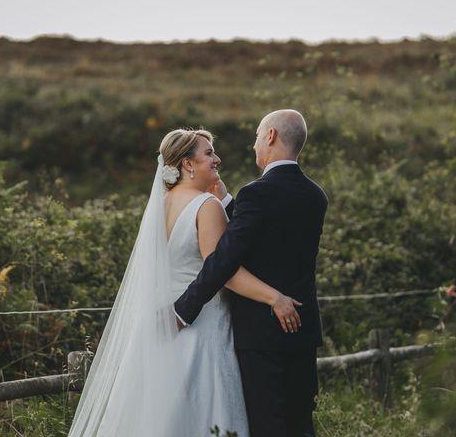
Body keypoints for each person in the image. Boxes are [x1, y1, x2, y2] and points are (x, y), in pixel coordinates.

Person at [68, 128, 300, 436]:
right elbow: (222, 271)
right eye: (208, 153)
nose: (216, 159)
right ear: (187, 164)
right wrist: (274, 297)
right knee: (202, 410)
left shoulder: (162, 205)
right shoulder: (206, 206)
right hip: (201, 324)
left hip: (162, 322)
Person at [174, 110, 328, 437]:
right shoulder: (316, 196)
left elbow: (225, 258)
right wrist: (230, 201)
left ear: (270, 136)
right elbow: (273, 233)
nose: (253, 143)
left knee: (268, 426)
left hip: (261, 334)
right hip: (303, 331)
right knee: (301, 424)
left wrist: (184, 307)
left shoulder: (257, 194)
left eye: (257, 135)